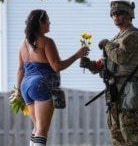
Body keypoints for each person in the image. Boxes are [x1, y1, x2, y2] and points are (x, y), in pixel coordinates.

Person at [80, 0, 138, 146]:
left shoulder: (133, 35)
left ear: (128, 15)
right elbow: (106, 65)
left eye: (118, 13)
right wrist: (89, 64)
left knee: (130, 131)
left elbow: (121, 58)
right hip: (115, 90)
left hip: (128, 88)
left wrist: (106, 45)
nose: (115, 17)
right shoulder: (116, 38)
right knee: (116, 133)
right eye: (112, 14)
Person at [15, 9, 89, 146]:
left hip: (26, 86)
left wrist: (18, 90)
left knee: (37, 127)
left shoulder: (23, 44)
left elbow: (20, 69)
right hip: (41, 85)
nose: (50, 22)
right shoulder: (47, 42)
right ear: (40, 23)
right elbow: (57, 66)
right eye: (47, 20)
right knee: (43, 128)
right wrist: (77, 55)